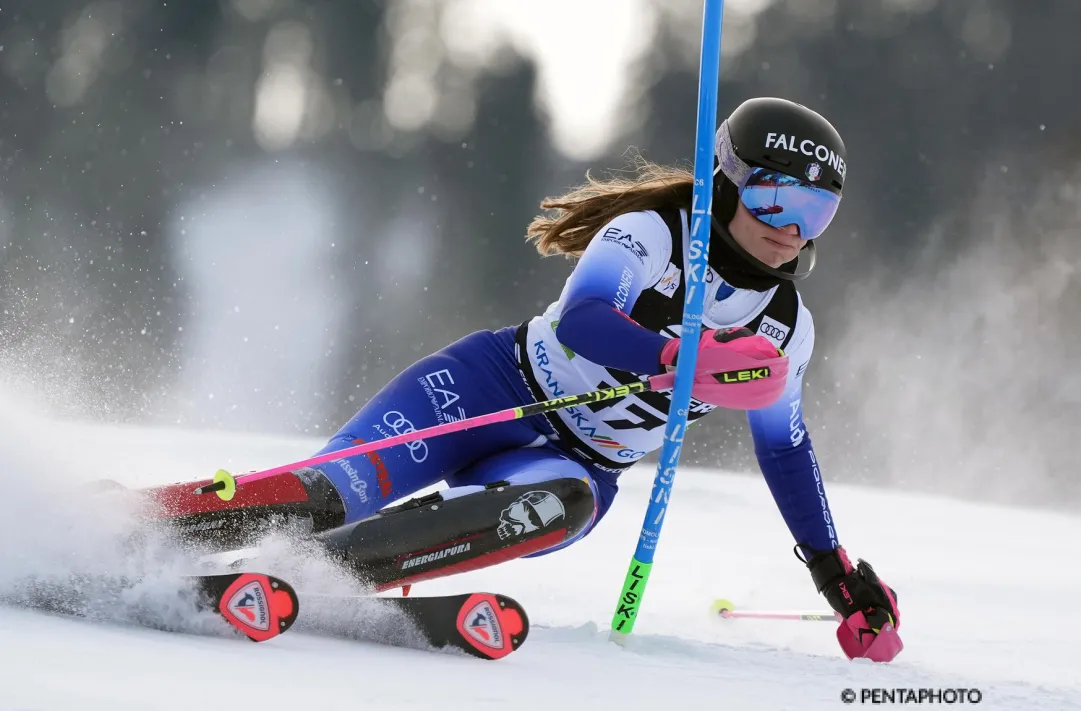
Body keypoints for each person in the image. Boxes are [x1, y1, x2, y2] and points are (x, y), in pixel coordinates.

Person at [157, 97, 901, 663]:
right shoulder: (651, 233)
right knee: (333, 488)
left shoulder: (784, 328)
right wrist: (677, 358)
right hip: (487, 388)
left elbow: (785, 450)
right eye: (778, 197)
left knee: (557, 504)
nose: (793, 227)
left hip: (574, 461)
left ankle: (319, 573)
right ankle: (141, 527)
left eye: (817, 210)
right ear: (729, 181)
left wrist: (836, 577)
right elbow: (583, 319)